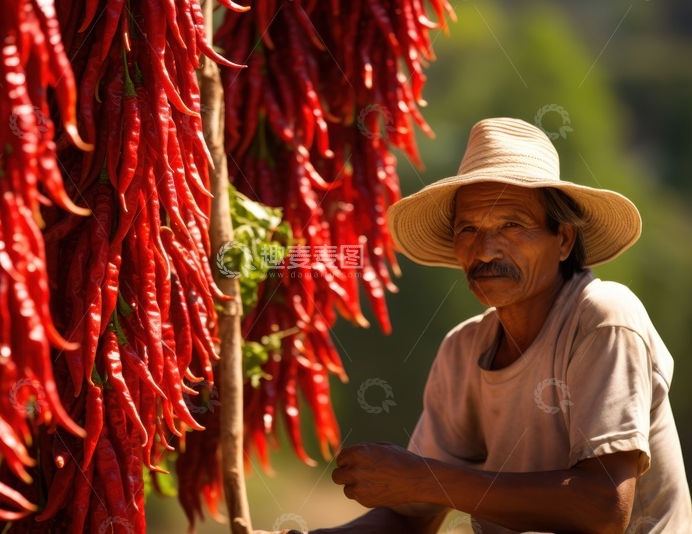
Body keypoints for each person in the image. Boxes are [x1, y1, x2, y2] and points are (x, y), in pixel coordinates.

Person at [262, 118, 692, 533]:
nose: (485, 250)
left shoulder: (603, 318)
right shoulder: (464, 349)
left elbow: (603, 509)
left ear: (563, 240)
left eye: (512, 225)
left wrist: (424, 478)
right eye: (468, 229)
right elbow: (412, 517)